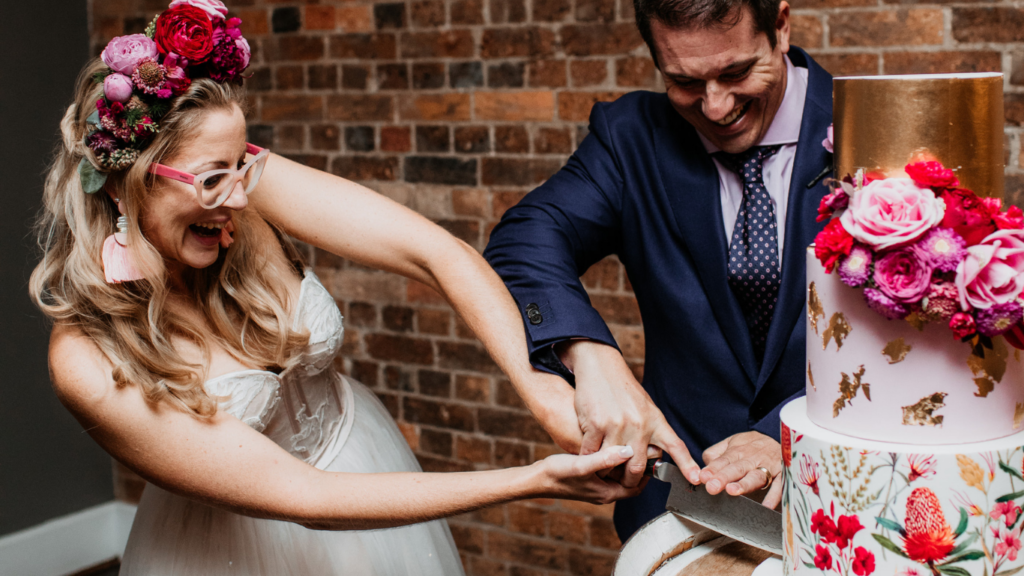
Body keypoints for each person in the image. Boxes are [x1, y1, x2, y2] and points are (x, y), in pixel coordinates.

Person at [31, 3, 641, 573]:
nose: (243, 198)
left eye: (242, 165)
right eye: (214, 178)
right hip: (237, 541)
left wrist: (545, 396)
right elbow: (304, 495)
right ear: (121, 183)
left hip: (362, 454)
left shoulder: (233, 185)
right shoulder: (84, 361)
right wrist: (534, 480)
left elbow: (435, 253)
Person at [484, 0, 833, 539]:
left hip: (839, 502)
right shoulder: (630, 137)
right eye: (685, 82)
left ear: (780, 27)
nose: (716, 107)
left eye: (737, 72)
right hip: (677, 508)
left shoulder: (872, 124)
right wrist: (590, 354)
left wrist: (786, 434)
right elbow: (525, 238)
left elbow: (917, 336)